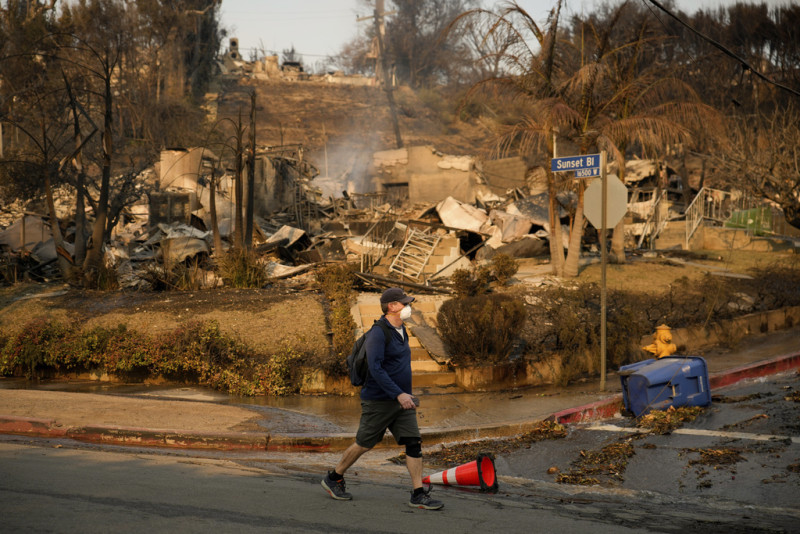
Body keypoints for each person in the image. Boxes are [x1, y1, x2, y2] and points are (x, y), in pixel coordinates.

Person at [321, 287, 444, 510]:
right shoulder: (378, 333)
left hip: (403, 402)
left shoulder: (402, 330)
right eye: (404, 303)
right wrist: (398, 393)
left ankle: (418, 493)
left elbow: (397, 366)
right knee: (364, 443)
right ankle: (334, 477)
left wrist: (405, 395)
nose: (408, 307)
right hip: (379, 401)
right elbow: (376, 369)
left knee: (413, 442)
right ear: (392, 307)